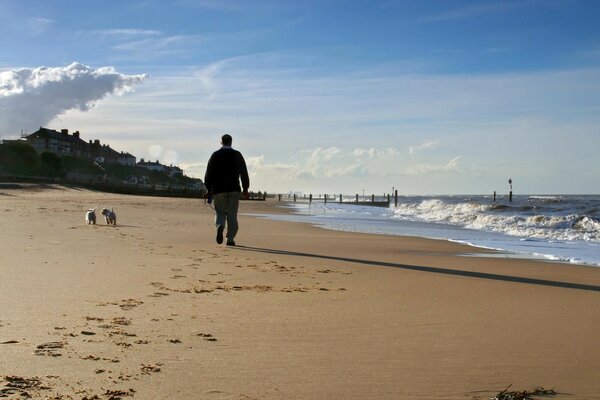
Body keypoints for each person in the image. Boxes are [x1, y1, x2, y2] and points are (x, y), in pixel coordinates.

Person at [204, 134, 249, 246]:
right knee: (232, 214)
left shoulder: (215, 155)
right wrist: (245, 188)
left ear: (221, 142)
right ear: (231, 142)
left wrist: (208, 189)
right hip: (234, 188)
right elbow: (244, 172)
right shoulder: (237, 155)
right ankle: (230, 239)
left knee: (220, 212)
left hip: (219, 189)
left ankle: (220, 226)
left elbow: (208, 173)